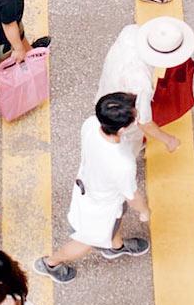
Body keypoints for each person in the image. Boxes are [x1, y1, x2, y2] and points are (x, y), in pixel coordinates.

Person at [34, 92, 151, 284]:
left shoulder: (91, 124)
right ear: (122, 130)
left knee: (113, 223)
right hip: (103, 206)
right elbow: (131, 195)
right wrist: (144, 211)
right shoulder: (123, 163)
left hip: (87, 187)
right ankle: (51, 263)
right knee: (87, 241)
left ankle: (115, 245)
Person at [93, 19, 194, 154]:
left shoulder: (132, 30)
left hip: (109, 82)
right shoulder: (142, 85)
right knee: (131, 139)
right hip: (125, 105)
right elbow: (144, 122)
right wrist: (169, 140)